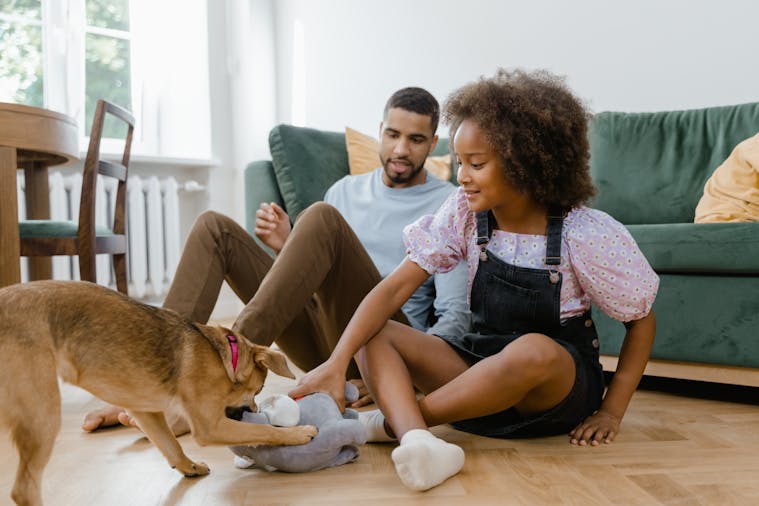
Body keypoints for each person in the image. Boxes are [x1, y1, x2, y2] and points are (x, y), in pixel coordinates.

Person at [290, 69, 659, 492]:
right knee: (374, 333)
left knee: (533, 350)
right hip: (476, 375)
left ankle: (396, 422)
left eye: (476, 164)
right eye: (460, 162)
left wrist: (612, 410)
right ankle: (417, 442)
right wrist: (337, 363)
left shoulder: (584, 232)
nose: (461, 175)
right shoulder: (464, 213)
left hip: (553, 394)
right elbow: (394, 288)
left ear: (525, 165)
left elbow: (641, 320)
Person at [82, 87, 470, 432]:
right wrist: (287, 245)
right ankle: (150, 382)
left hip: (381, 348)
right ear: (379, 131)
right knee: (213, 228)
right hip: (319, 346)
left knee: (320, 216)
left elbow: (453, 317)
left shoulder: (448, 203)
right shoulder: (345, 190)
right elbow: (318, 279)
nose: (401, 149)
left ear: (433, 142)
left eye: (416, 139)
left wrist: (402, 374)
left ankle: (219, 382)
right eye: (393, 134)